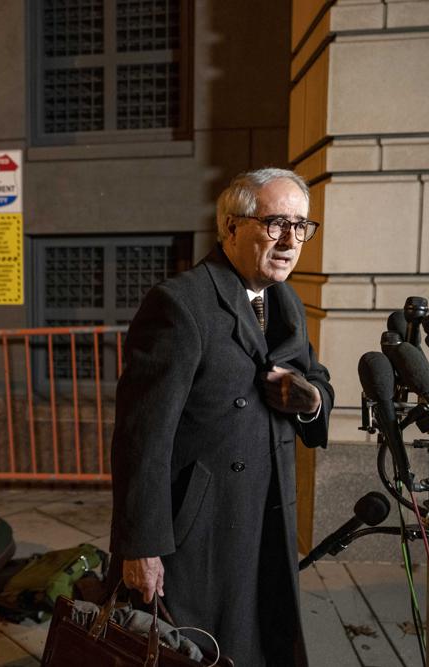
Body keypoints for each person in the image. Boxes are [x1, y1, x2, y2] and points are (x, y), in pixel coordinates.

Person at [110, 167, 334, 666]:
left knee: (259, 644)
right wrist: (140, 546)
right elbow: (140, 438)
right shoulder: (180, 304)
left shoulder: (286, 301)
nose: (291, 240)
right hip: (198, 535)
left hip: (265, 516)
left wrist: (311, 401)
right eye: (276, 223)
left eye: (302, 226)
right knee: (193, 651)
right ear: (231, 227)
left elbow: (316, 378)